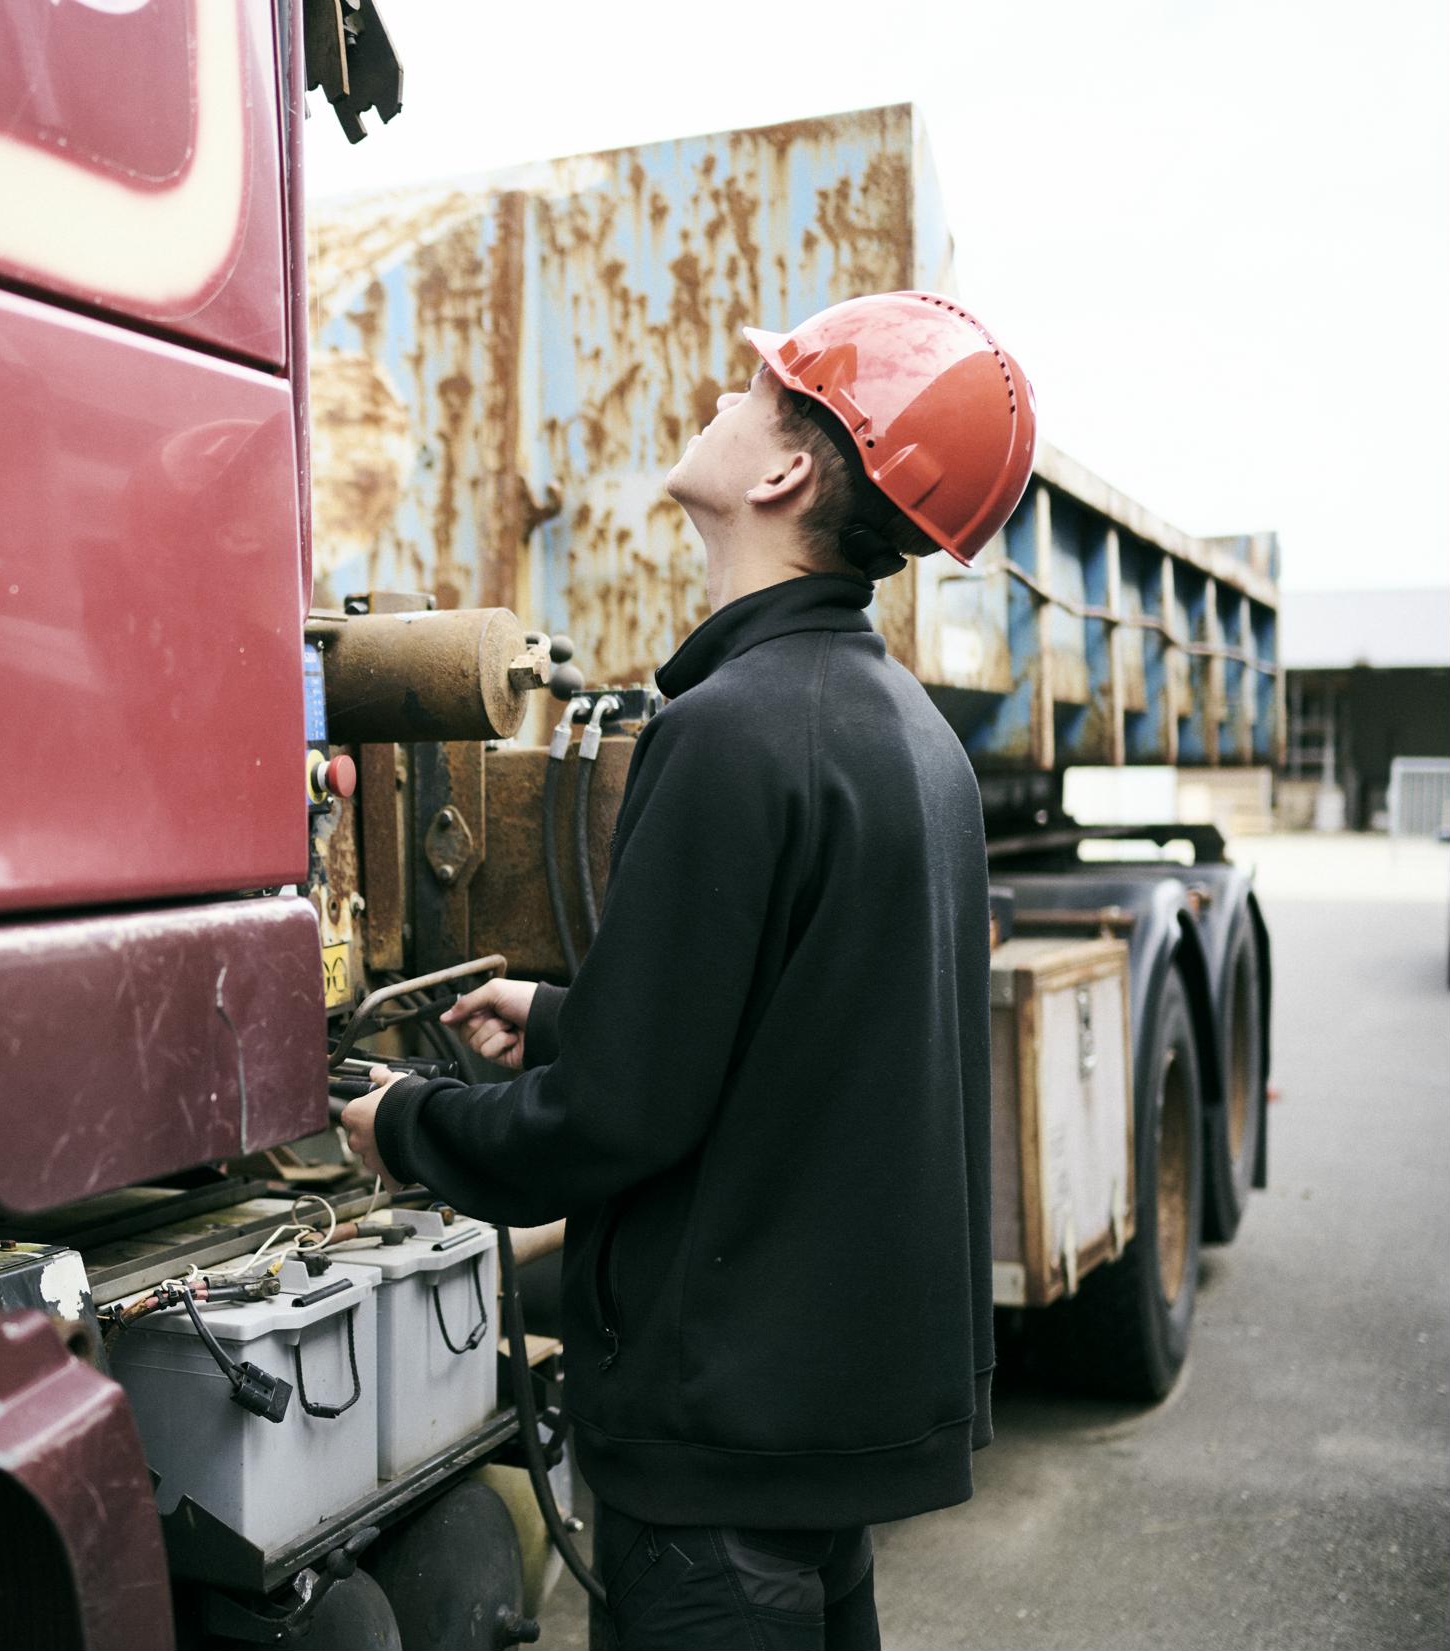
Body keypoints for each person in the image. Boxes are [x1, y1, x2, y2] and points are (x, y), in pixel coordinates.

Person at [339, 292, 1036, 1650]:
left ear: (783, 472)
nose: (717, 404)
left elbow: (621, 1117)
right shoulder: (906, 736)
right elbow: (798, 1041)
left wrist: (406, 1126)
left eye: (749, 391)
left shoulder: (728, 734)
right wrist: (553, 1017)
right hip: (816, 1440)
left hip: (712, 1468)